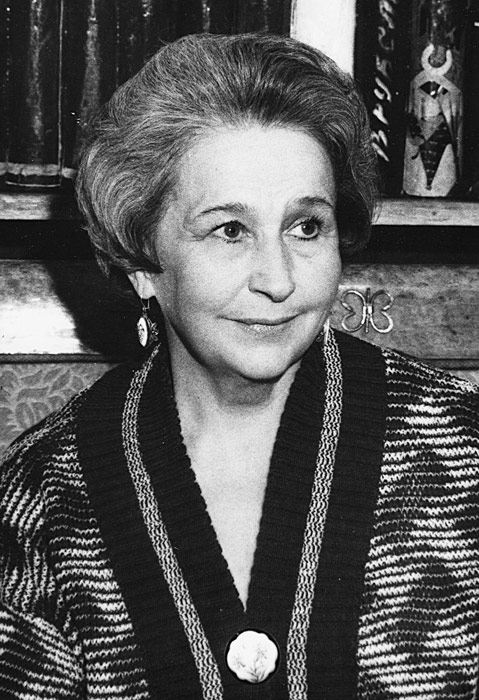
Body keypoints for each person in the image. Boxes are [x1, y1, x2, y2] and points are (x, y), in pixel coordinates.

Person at [1, 32, 478, 700]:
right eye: (230, 230)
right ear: (141, 262)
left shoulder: (463, 451)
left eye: (306, 226)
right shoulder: (43, 497)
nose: (278, 281)